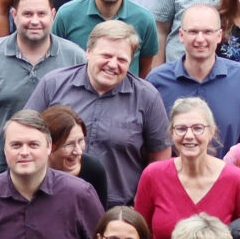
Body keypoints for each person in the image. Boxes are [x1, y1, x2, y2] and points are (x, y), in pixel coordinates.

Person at [24, 23, 170, 207]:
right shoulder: (53, 84)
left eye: (122, 59)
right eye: (106, 56)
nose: (113, 64)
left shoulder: (147, 97)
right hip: (52, 199)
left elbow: (160, 159)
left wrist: (140, 205)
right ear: (88, 52)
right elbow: (26, 134)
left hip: (116, 208)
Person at [0, 0, 86, 173]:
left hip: (58, 172)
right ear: (14, 15)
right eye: (27, 14)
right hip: (1, 170)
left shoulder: (76, 58)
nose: (35, 21)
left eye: (42, 14)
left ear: (53, 15)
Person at [135, 98, 240, 239]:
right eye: (181, 129)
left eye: (198, 128)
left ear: (211, 132)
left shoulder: (237, 180)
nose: (189, 136)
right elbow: (139, 234)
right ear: (171, 133)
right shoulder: (153, 175)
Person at [149, 4, 240, 155]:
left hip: (227, 170)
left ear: (219, 35)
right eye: (193, 32)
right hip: (173, 170)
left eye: (208, 32)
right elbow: (150, 142)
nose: (200, 39)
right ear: (181, 35)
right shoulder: (157, 81)